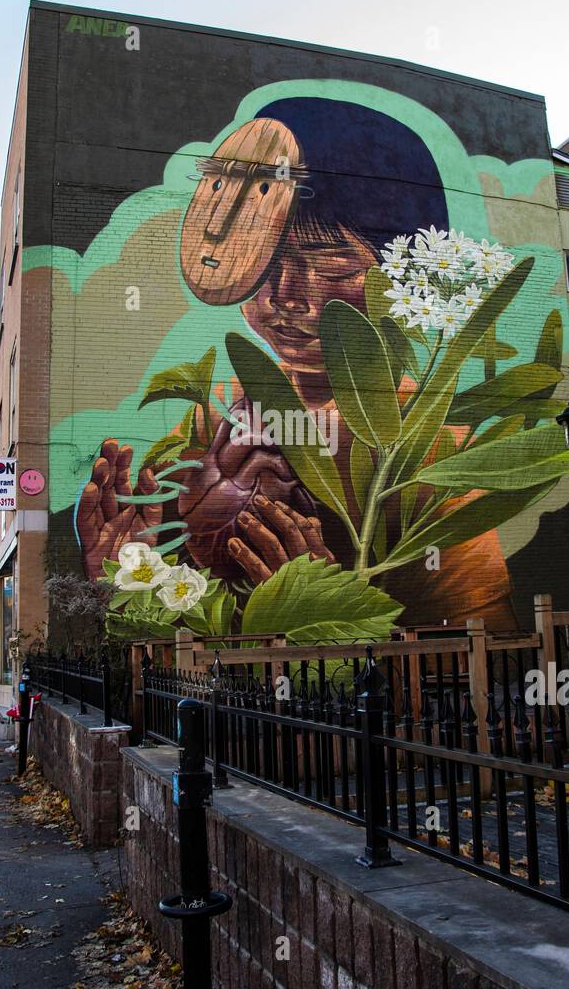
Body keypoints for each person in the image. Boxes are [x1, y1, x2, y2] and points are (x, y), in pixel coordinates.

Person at [77, 98, 519, 631]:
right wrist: (134, 573)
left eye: (331, 263)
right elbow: (192, 625)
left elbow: (484, 657)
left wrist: (319, 609)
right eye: (265, 260)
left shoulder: (430, 444)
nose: (287, 295)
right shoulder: (218, 412)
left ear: (403, 276)